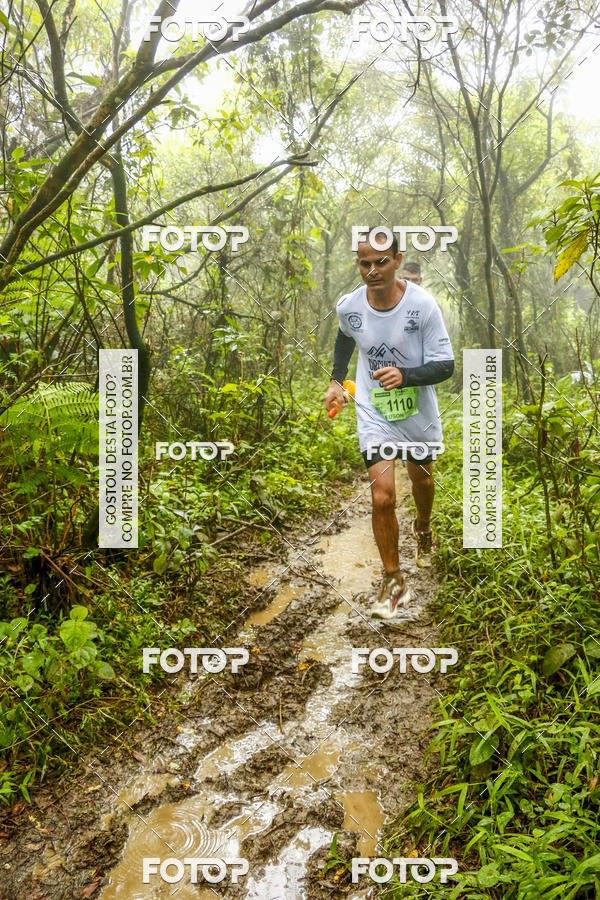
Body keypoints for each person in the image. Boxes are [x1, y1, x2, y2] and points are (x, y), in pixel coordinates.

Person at [324, 227, 454, 619]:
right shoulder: (349, 306)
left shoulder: (424, 306)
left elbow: (446, 365)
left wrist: (407, 375)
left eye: (381, 262)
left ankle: (424, 528)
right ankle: (393, 579)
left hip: (417, 413)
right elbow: (345, 336)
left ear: (397, 261)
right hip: (374, 411)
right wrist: (336, 380)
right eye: (364, 263)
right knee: (383, 496)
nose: (372, 270)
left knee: (421, 480)